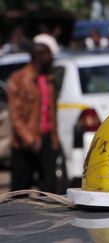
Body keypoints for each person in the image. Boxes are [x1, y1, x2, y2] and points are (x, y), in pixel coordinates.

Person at [7, 41, 61, 193]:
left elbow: (51, 112)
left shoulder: (48, 79)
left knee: (49, 187)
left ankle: (47, 217)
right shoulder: (19, 79)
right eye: (48, 55)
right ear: (39, 57)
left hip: (46, 139)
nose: (51, 59)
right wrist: (28, 139)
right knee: (20, 189)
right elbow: (15, 115)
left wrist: (55, 138)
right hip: (25, 142)